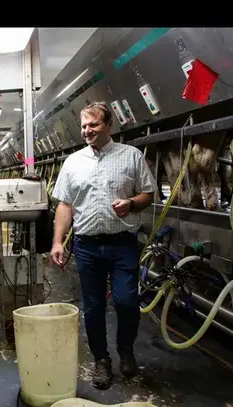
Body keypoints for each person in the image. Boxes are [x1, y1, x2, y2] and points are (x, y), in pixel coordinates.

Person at [49, 102, 156, 391]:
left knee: (126, 301)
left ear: (109, 125)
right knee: (93, 306)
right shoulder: (72, 162)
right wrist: (58, 241)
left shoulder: (131, 156)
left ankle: (126, 349)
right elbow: (65, 204)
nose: (87, 131)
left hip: (122, 243)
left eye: (93, 125)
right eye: (84, 126)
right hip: (86, 246)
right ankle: (101, 360)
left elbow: (148, 193)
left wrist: (132, 203)